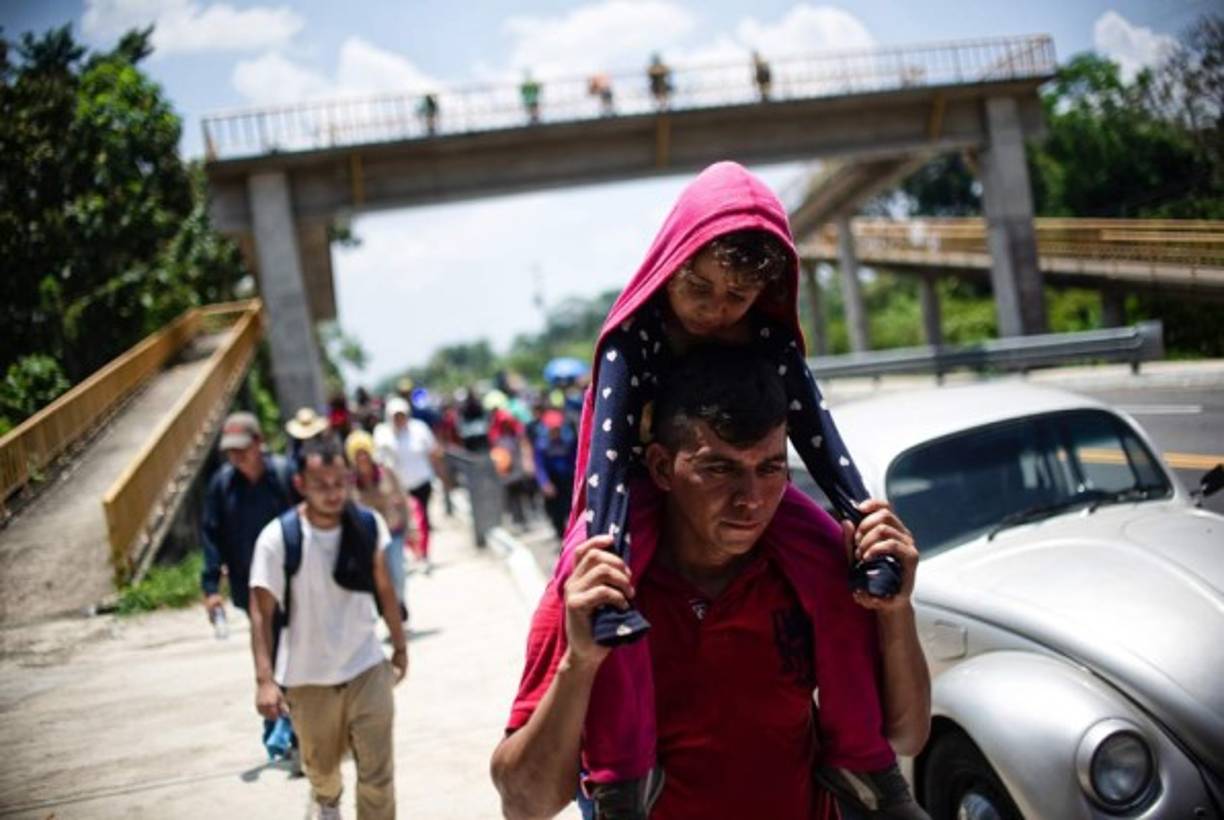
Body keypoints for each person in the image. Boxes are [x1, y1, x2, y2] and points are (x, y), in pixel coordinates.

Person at [549, 161, 914, 811]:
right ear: (670, 267)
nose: (717, 311)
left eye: (737, 297)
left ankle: (860, 761)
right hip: (639, 490)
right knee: (608, 593)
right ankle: (620, 780)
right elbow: (605, 461)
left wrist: (862, 521)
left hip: (733, 477)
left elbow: (817, 435)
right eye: (701, 288)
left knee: (832, 565)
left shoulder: (766, 335)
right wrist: (600, 547)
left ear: (764, 294)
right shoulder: (634, 338)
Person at [491, 346, 929, 819]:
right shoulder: (598, 595)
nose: (752, 501)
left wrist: (896, 611)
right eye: (719, 469)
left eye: (770, 468)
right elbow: (524, 804)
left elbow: (906, 735)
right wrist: (578, 664)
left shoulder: (812, 574)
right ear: (661, 468)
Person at [249, 438, 408, 820]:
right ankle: (326, 801)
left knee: (378, 776)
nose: (333, 493)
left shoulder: (367, 524)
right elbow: (261, 612)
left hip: (366, 668)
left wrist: (399, 647)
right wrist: (264, 680)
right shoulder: (277, 539)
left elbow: (386, 589)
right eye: (321, 485)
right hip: (308, 679)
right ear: (301, 484)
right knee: (322, 773)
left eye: (339, 483)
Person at [200, 412, 297, 750]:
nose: (236, 456)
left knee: (295, 652)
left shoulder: (285, 476)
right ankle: (280, 722)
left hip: (294, 584)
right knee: (268, 651)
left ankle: (295, 728)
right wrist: (211, 588)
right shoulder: (221, 487)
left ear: (258, 444)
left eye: (242, 448)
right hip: (250, 587)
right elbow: (211, 537)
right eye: (230, 451)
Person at [346, 430, 414, 614]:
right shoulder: (350, 482)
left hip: (393, 530)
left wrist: (412, 527)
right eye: (357, 455)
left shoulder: (386, 472)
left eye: (364, 453)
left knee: (397, 572)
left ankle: (398, 602)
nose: (362, 458)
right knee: (380, 579)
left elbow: (403, 498)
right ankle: (390, 610)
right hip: (370, 539)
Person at [374, 396, 442, 571]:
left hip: (422, 482)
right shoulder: (383, 433)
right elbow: (380, 461)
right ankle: (413, 552)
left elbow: (433, 451)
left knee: (422, 519)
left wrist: (440, 476)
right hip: (398, 488)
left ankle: (424, 553)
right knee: (403, 522)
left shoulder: (419, 429)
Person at [531, 407, 578, 540]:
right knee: (555, 512)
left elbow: (575, 460)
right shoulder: (541, 444)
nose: (555, 432)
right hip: (552, 480)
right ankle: (560, 535)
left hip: (568, 479)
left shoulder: (569, 440)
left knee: (570, 508)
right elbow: (539, 465)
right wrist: (545, 483)